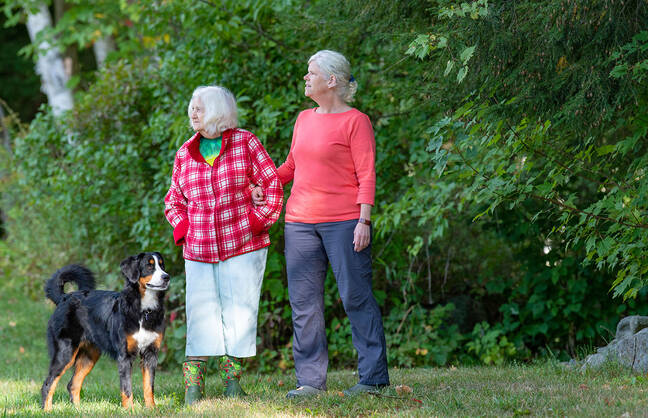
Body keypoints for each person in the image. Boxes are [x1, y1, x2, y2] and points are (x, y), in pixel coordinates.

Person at [253, 50, 389, 397]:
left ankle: (373, 379)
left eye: (311, 72)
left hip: (345, 223)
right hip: (299, 223)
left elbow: (366, 173)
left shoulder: (356, 121)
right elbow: (290, 166)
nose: (305, 78)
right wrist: (262, 185)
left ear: (331, 80)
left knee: (356, 298)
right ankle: (311, 381)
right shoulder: (303, 119)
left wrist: (364, 219)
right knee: (303, 304)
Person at [164, 85, 283, 405]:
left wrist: (257, 222)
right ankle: (194, 388)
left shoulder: (246, 143)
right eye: (191, 107)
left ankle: (232, 384)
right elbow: (173, 202)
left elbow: (271, 185)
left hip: (243, 244)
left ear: (217, 110)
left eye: (199, 108)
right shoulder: (184, 153)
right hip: (199, 249)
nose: (192, 113)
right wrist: (185, 229)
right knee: (200, 314)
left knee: (239, 314)